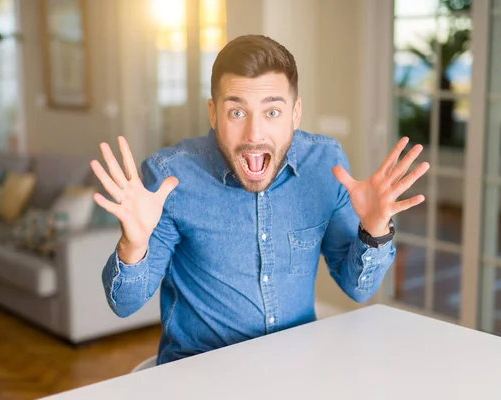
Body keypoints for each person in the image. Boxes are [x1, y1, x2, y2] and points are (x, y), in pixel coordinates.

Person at [91, 34, 429, 365]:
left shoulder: (325, 164)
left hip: (293, 372)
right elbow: (124, 304)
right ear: (213, 114)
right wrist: (132, 246)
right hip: (201, 379)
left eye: (272, 112)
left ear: (295, 114)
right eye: (237, 112)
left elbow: (358, 289)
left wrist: (374, 229)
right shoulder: (170, 177)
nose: (254, 134)